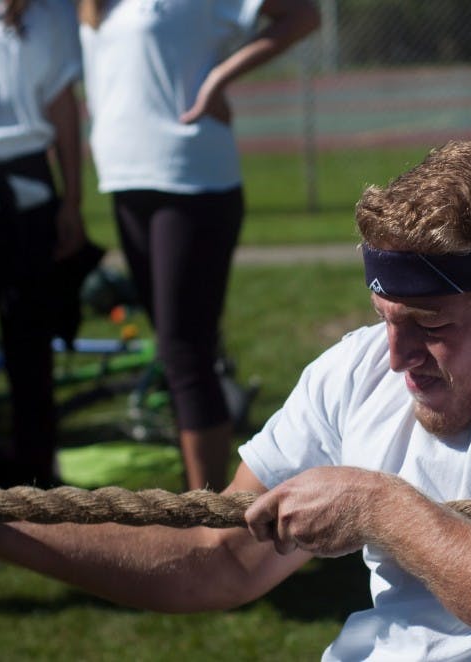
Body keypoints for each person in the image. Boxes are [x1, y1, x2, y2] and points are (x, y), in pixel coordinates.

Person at [0, 140, 471, 660]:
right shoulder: (360, 369)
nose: (395, 358)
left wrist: (380, 509)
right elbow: (213, 559)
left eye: (429, 326)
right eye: (386, 320)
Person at [76, 0, 321, 491]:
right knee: (177, 350)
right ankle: (207, 508)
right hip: (125, 180)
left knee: (185, 351)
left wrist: (219, 78)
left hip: (191, 180)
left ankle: (207, 519)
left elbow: (303, 15)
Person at [0, 0, 85, 488]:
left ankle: (34, 492)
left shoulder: (49, 12)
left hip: (25, 192)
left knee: (30, 353)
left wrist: (73, 198)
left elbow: (62, 105)